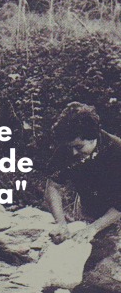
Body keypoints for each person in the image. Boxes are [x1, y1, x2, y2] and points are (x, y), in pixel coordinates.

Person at [45, 102, 121, 245]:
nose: (73, 152)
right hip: (87, 207)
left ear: (94, 137)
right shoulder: (67, 149)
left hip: (116, 214)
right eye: (70, 147)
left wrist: (95, 228)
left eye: (79, 147)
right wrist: (61, 224)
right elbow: (53, 187)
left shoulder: (116, 151)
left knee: (111, 255)